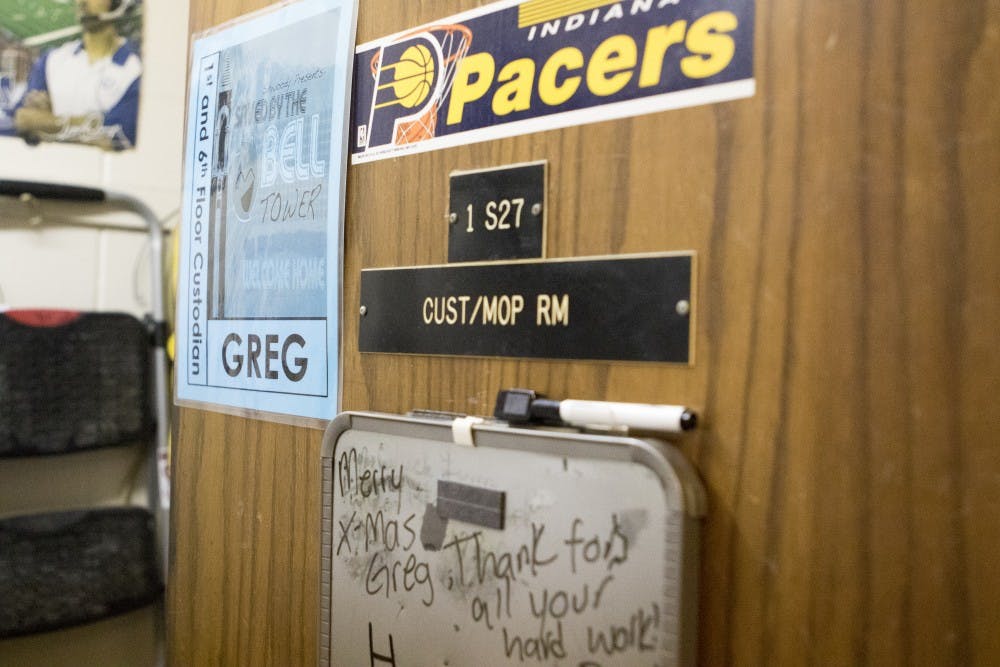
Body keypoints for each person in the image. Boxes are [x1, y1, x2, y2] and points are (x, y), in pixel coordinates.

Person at [14, 0, 141, 150]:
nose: (82, 2)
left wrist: (47, 121)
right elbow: (24, 120)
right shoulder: (52, 59)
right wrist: (92, 124)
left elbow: (112, 140)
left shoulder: (135, 70)